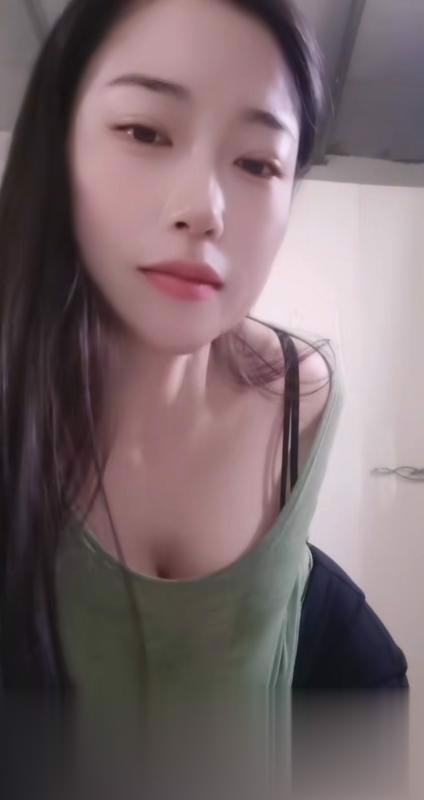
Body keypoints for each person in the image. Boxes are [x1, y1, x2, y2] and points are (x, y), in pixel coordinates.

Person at [0, 0, 408, 696]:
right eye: (145, 131)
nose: (204, 208)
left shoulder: (302, 395)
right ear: (60, 145)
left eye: (257, 162)